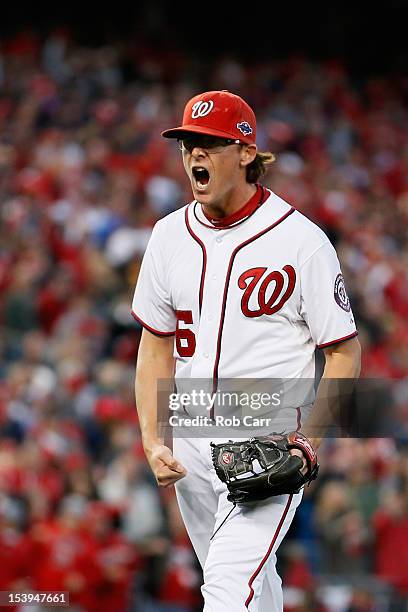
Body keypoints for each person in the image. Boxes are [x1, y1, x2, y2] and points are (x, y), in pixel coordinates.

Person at [132, 90, 361, 611]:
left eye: (208, 144)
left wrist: (310, 442)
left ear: (244, 152)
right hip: (189, 438)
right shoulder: (168, 236)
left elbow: (344, 353)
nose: (194, 155)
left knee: (229, 590)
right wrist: (151, 436)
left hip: (265, 440)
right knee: (253, 591)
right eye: (188, 142)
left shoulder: (301, 242)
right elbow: (153, 344)